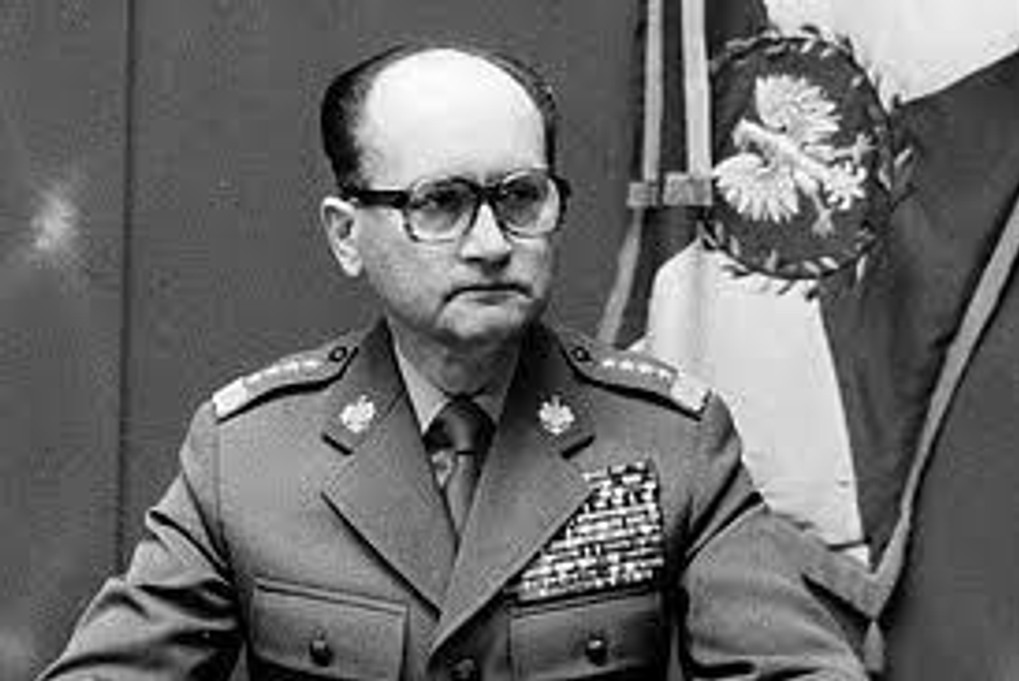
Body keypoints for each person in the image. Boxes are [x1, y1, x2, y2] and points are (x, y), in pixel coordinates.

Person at [40, 44, 868, 680]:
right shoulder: (250, 455)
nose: (491, 243)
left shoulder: (671, 440)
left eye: (520, 197)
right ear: (346, 235)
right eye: (441, 203)